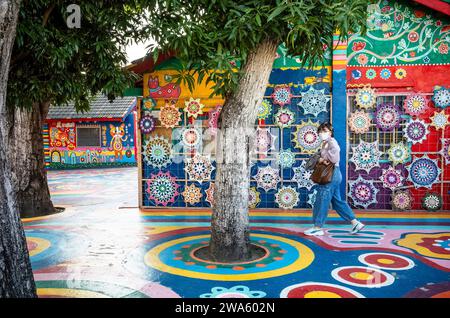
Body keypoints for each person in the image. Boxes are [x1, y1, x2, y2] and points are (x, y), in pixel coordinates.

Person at [304, 122, 365, 236]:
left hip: (330, 174)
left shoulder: (332, 142)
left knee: (321, 200)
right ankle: (355, 223)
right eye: (321, 131)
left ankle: (317, 227)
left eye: (325, 131)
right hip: (334, 174)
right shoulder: (326, 143)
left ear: (331, 132)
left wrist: (322, 159)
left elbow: (335, 156)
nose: (322, 133)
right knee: (337, 202)